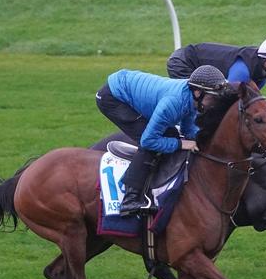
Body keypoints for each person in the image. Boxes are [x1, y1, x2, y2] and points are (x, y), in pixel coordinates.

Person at [95, 65, 228, 215]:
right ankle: (130, 199)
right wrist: (181, 144)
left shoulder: (191, 97)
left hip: (129, 88)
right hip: (113, 98)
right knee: (151, 145)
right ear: (198, 92)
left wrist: (203, 139)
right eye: (212, 98)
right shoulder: (173, 103)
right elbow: (149, 140)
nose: (213, 103)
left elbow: (188, 129)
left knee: (171, 135)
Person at [166, 36, 266, 89]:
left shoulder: (261, 74)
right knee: (199, 100)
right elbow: (225, 102)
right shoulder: (242, 71)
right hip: (182, 62)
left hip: (192, 60)